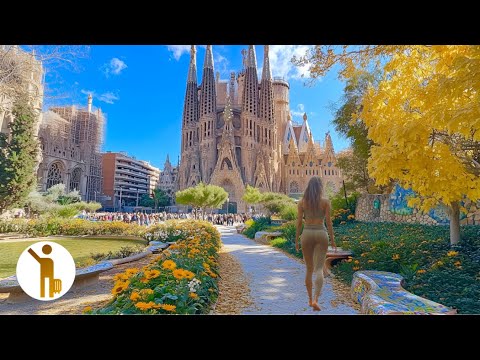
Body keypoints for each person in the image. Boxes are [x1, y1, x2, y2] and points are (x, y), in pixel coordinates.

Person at [295, 177, 336, 311]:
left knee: (309, 269)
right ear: (320, 187)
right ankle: (316, 300)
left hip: (307, 233)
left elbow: (299, 222)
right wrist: (333, 240)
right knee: (319, 269)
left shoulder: (302, 202)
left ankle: (309, 299)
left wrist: (296, 239)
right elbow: (329, 222)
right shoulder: (325, 202)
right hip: (321, 232)